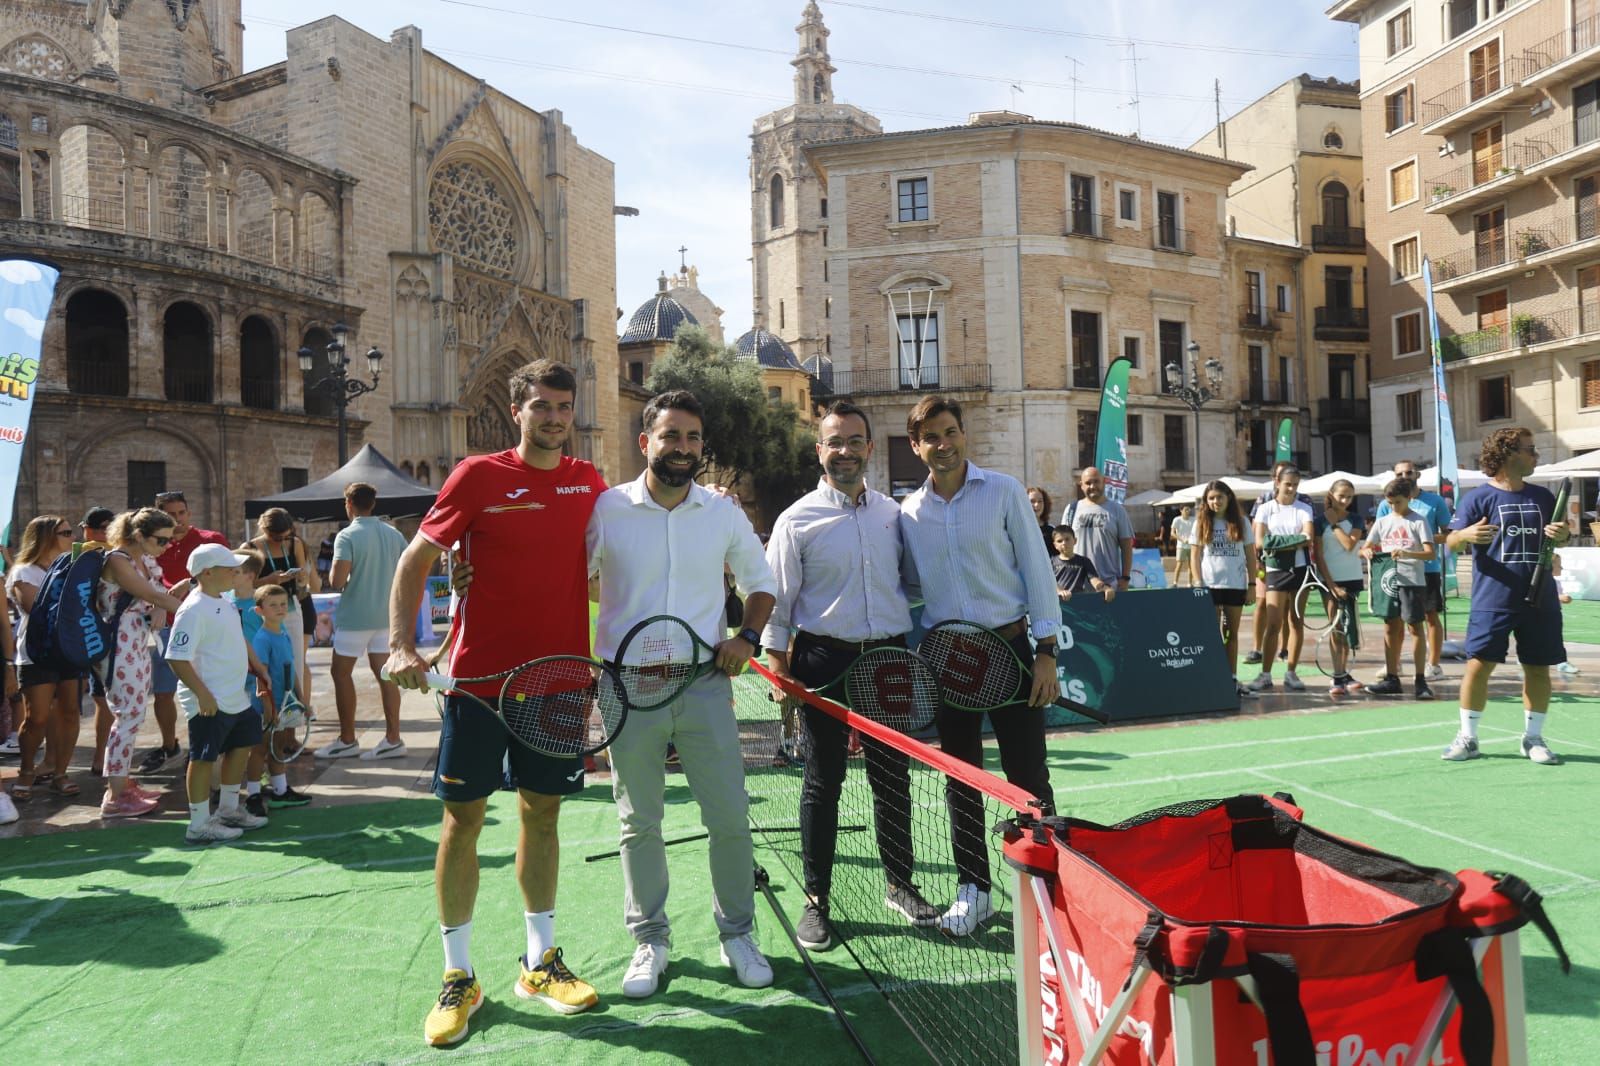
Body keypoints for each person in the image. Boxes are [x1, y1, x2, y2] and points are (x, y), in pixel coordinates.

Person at [385, 359, 604, 1046]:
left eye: (564, 406)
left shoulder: (590, 481)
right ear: (517, 411)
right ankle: (458, 975)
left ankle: (539, 962)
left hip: (558, 683)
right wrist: (400, 646)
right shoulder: (478, 475)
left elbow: (611, 560)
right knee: (462, 824)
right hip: (478, 686)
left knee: (542, 817)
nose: (554, 417)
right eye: (541, 405)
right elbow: (415, 558)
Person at [588, 389, 778, 998]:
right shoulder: (606, 508)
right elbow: (570, 578)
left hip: (703, 686)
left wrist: (747, 637)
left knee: (728, 819)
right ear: (645, 442)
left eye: (693, 438)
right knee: (638, 823)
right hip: (626, 686)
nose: (683, 448)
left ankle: (738, 934)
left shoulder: (721, 511)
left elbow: (761, 585)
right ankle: (651, 940)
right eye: (671, 436)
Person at [763, 400, 940, 954]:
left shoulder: (895, 514)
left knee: (893, 778)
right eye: (833, 441)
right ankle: (816, 899)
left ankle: (900, 885)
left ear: (869, 447)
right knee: (823, 781)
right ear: (820, 451)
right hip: (823, 660)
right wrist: (776, 662)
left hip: (887, 657)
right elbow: (776, 601)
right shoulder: (796, 520)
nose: (844, 451)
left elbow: (913, 582)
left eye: (854, 440)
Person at [899, 395, 1058, 937]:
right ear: (916, 447)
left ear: (963, 433)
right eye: (929, 438)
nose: (942, 445)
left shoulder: (1005, 491)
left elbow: (1038, 572)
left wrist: (1046, 652)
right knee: (960, 778)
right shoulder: (909, 513)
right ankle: (976, 891)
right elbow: (911, 586)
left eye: (949, 433)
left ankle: (1049, 883)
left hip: (1013, 652)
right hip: (949, 660)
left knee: (1027, 776)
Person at [1442, 428, 1571, 765]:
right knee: (1478, 665)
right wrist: (1465, 535)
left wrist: (1564, 534)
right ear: (1509, 453)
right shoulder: (1478, 498)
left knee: (1538, 669)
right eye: (1530, 449)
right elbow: (1450, 542)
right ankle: (1468, 738)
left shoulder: (1543, 497)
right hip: (1492, 599)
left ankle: (1533, 739)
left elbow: (1561, 538)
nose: (1536, 455)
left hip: (1540, 600)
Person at [166, 543, 272, 845]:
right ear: (208, 572)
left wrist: (259, 668)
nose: (236, 573)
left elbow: (238, 638)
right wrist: (202, 695)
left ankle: (228, 810)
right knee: (203, 758)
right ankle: (198, 825)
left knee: (241, 747)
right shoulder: (193, 610)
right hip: (209, 700)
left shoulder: (224, 602)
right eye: (230, 569)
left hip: (235, 696)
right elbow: (176, 657)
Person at [97, 508, 186, 818]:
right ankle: (115, 795)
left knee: (134, 714)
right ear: (139, 536)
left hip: (136, 639)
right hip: (118, 642)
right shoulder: (117, 560)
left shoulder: (144, 560)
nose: (167, 546)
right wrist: (193, 613)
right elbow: (152, 594)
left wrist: (164, 604)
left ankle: (122, 783)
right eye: (161, 540)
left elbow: (157, 594)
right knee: (128, 715)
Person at [139, 491, 230, 777]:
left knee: (211, 686)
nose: (178, 520)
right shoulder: (152, 544)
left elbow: (228, 572)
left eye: (182, 513)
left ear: (189, 513)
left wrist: (189, 583)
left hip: (208, 625)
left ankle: (215, 745)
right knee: (164, 693)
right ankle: (170, 747)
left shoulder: (210, 539)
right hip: (166, 624)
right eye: (171, 515)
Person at [322, 482, 408, 760]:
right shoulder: (393, 534)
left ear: (349, 504)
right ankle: (393, 738)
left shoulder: (347, 536)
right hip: (386, 616)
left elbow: (336, 579)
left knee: (341, 674)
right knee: (386, 676)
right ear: (373, 504)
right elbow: (408, 567)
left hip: (355, 617)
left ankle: (347, 739)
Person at [7, 514, 83, 800]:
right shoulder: (24, 571)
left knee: (69, 713)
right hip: (37, 652)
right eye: (65, 532)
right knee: (37, 717)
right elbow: (34, 609)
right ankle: (27, 771)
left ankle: (60, 773)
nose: (71, 537)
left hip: (69, 650)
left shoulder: (72, 569)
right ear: (47, 537)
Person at [245, 508, 321, 731]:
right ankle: (267, 721)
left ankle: (292, 727)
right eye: (275, 537)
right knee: (263, 668)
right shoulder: (250, 549)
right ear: (263, 528)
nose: (281, 541)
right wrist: (268, 580)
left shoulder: (294, 543)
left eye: (285, 536)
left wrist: (301, 577)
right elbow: (239, 587)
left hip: (290, 608)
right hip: (261, 613)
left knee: (294, 664)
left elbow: (307, 585)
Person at [1377, 459, 1452, 681]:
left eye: (1409, 473)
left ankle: (1434, 665)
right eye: (1399, 474)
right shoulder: (1385, 504)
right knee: (1395, 620)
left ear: (1417, 475)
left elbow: (1448, 534)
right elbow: (1382, 536)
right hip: (1397, 571)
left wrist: (1420, 540)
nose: (1404, 477)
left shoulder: (1435, 501)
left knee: (1430, 618)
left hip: (1427, 568)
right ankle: (1394, 664)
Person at [1362, 478, 1435, 699]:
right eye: (1390, 502)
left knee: (1415, 628)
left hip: (1412, 580)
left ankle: (1420, 679)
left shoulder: (1418, 521)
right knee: (1390, 628)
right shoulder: (1382, 522)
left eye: (1399, 502)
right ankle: (1392, 677)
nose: (1394, 506)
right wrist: (1366, 551)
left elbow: (1430, 553)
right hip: (1389, 581)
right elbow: (1365, 546)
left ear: (1409, 498)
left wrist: (1408, 554)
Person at [1248, 465, 1315, 693]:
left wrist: (1277, 542)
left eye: (1295, 485)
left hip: (1300, 569)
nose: (1291, 488)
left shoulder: (1304, 508)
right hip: (1275, 569)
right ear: (1278, 483)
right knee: (1274, 622)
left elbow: (1308, 539)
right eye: (1288, 484)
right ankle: (1265, 674)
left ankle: (1291, 673)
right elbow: (1260, 542)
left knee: (1296, 622)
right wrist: (1292, 541)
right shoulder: (1265, 508)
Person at [243, 583, 305, 820]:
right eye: (273, 605)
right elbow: (261, 677)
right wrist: (269, 708)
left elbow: (292, 670)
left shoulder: (284, 633)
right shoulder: (262, 639)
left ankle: (280, 791)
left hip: (285, 704)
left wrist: (302, 699)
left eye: (283, 604)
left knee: (277, 748)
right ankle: (253, 795)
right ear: (259, 611)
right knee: (259, 750)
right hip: (268, 707)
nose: (280, 609)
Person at [1189, 480, 1257, 696]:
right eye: (1211, 498)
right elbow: (1195, 555)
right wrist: (1198, 582)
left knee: (1231, 634)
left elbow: (1250, 556)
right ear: (1206, 501)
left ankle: (1232, 678)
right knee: (1211, 634)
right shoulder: (1200, 522)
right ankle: (1212, 676)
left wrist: (1252, 584)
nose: (1215, 502)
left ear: (1228, 498)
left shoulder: (1242, 522)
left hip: (1235, 585)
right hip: (1210, 585)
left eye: (1219, 497)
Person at [1316, 480, 1367, 699]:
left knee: (1349, 629)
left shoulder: (1356, 519)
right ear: (1331, 494)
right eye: (1341, 496)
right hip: (1330, 582)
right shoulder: (1319, 522)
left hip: (1353, 579)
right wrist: (1332, 585)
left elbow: (1349, 545)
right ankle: (1337, 675)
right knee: (1335, 627)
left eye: (1349, 497)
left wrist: (1334, 525)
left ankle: (1345, 673)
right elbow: (1318, 555)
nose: (1345, 501)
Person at [80, 507, 117, 778]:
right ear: (88, 529)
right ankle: (103, 758)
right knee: (104, 700)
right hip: (93, 633)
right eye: (103, 527)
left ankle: (107, 758)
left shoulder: (118, 554)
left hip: (112, 634)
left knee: (109, 700)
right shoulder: (84, 553)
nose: (107, 532)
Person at [1062, 467, 1134, 592]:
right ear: (1081, 485)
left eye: (1096, 481)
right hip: (1077, 583)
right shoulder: (1071, 510)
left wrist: (1125, 577)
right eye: (1088, 483)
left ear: (1104, 482)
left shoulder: (1117, 510)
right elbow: (1062, 545)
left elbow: (1126, 546)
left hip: (1109, 584)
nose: (1092, 486)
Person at [1051, 525, 1114, 603]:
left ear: (1075, 541)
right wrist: (1059, 591)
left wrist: (1104, 587)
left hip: (1078, 603)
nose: (1064, 543)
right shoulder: (1050, 562)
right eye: (1059, 541)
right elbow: (1048, 582)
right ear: (1055, 545)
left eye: (1067, 539)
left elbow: (1094, 580)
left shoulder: (1084, 561)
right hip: (1056, 604)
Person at [1171, 504, 1196, 587]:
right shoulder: (1177, 519)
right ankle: (1175, 583)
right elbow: (1172, 533)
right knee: (1179, 564)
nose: (1188, 511)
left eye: (1189, 509)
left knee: (1191, 565)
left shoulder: (1194, 519)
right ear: (1181, 510)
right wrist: (1182, 540)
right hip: (1181, 546)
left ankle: (1189, 583)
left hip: (1192, 546)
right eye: (1186, 509)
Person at [1027, 485, 1055, 557]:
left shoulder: (1051, 531)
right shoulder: (1017, 529)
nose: (1037, 505)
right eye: (1032, 501)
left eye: (1040, 501)